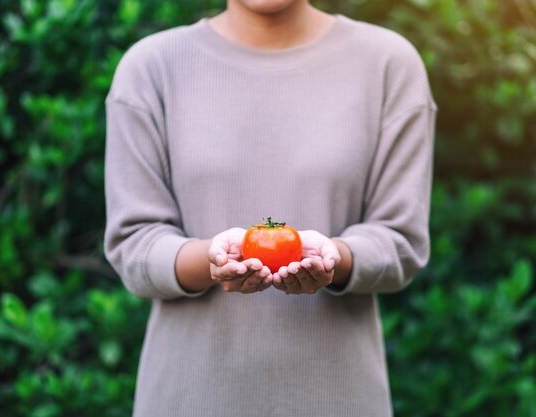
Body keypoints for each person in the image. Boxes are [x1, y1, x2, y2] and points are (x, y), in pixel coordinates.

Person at [104, 0, 437, 415]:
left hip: (338, 400)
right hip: (189, 399)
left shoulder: (388, 64)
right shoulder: (151, 68)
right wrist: (210, 259)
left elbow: (401, 238)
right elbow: (133, 243)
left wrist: (337, 257)